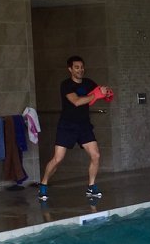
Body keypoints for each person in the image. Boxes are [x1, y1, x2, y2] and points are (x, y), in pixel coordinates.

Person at [38, 56, 112, 202]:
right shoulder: (66, 85)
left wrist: (106, 93)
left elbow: (98, 94)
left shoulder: (88, 83)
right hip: (67, 125)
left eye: (82, 67)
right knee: (58, 159)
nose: (80, 70)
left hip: (84, 125)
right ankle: (43, 185)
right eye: (77, 67)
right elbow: (77, 102)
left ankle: (91, 187)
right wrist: (94, 95)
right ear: (70, 69)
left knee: (95, 155)